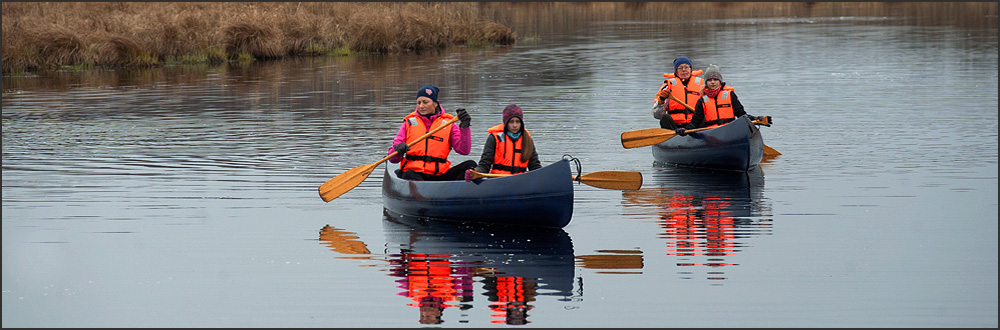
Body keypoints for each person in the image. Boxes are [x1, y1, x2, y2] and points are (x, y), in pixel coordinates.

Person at [388, 84, 477, 181]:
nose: (421, 106)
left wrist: (464, 127)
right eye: (418, 103)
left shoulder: (448, 123)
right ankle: (422, 193)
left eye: (425, 102)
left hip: (439, 175)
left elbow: (464, 151)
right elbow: (393, 159)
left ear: (435, 104)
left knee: (470, 165)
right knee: (409, 174)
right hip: (413, 173)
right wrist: (397, 150)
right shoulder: (408, 123)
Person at [674, 64, 771, 136]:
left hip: (730, 132)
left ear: (720, 81)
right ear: (706, 82)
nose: (712, 82)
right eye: (709, 80)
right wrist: (684, 130)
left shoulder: (729, 95)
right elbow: (695, 122)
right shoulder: (702, 100)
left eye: (715, 80)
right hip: (712, 135)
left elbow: (741, 114)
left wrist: (757, 119)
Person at [465, 104, 541, 181]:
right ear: (505, 123)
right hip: (497, 180)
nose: (515, 125)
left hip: (520, 180)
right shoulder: (494, 138)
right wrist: (475, 172)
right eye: (511, 122)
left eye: (517, 122)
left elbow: (535, 166)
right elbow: (484, 165)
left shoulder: (527, 139)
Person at [651, 56, 705, 129]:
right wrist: (661, 101)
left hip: (695, 124)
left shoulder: (702, 85)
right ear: (676, 71)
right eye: (680, 68)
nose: (684, 70)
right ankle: (672, 138)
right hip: (676, 126)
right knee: (665, 118)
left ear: (691, 69)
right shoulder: (667, 87)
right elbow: (657, 115)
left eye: (686, 67)